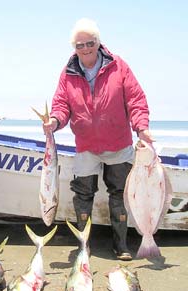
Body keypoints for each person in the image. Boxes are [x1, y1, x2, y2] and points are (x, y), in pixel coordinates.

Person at [44, 18, 153, 261]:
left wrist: (142, 128)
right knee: (82, 196)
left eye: (89, 43)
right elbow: (61, 104)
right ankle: (84, 244)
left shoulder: (118, 66)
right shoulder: (68, 73)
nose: (85, 49)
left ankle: (121, 245)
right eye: (79, 45)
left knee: (120, 193)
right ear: (74, 48)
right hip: (86, 146)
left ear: (98, 43)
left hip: (118, 144)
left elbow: (136, 100)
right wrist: (54, 121)